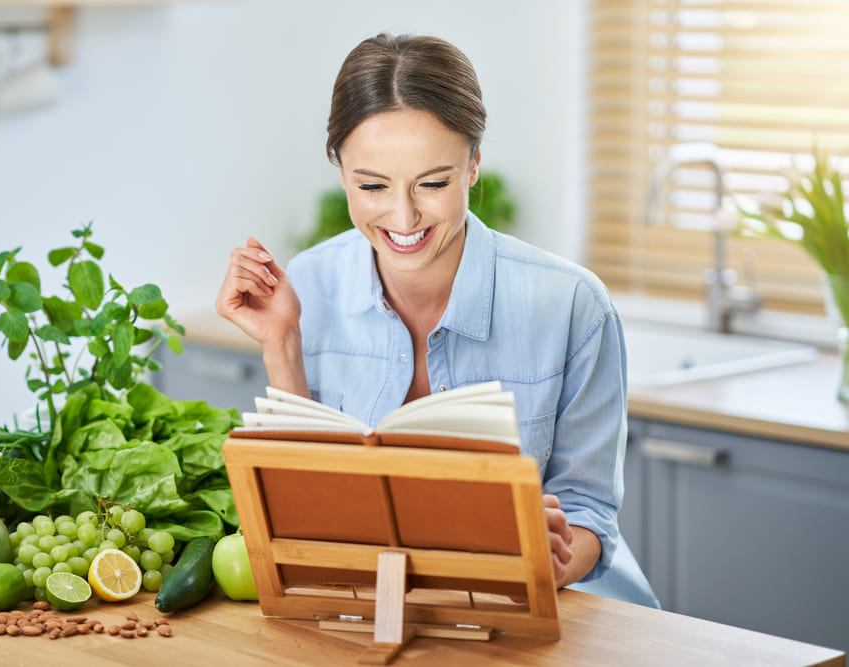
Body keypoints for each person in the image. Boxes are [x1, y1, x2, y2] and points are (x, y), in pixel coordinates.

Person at [216, 32, 659, 608]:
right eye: (371, 185)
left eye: (433, 183)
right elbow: (309, 515)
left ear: (474, 165)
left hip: (557, 613)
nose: (403, 217)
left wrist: (546, 560)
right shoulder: (309, 284)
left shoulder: (572, 304)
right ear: (340, 170)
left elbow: (588, 515)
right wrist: (283, 342)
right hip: (389, 612)